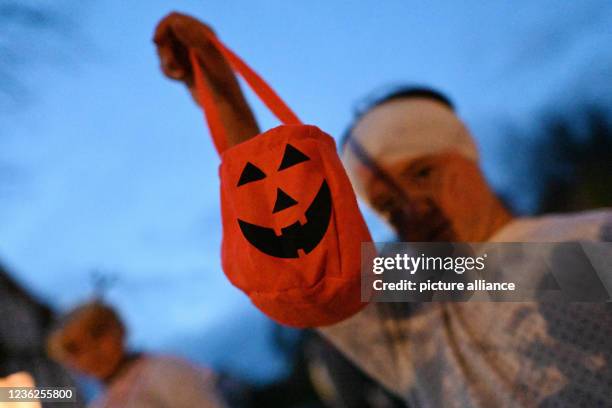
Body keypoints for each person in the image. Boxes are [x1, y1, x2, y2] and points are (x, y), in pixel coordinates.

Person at [153, 12, 612, 406]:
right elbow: (283, 235)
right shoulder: (401, 295)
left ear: (464, 157)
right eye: (387, 206)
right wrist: (218, 88)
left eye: (422, 173)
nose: (411, 207)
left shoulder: (590, 241)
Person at [47, 301, 227, 408]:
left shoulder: (164, 371)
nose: (91, 351)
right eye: (74, 349)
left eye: (97, 332)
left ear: (120, 329)